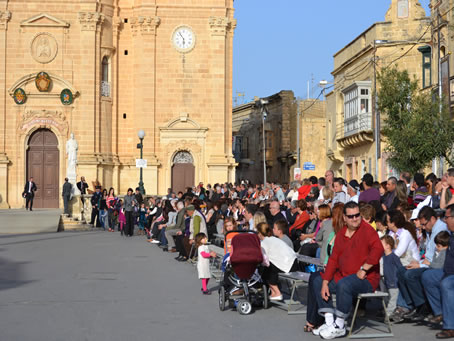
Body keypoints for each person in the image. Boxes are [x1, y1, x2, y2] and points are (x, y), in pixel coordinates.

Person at [306, 201, 383, 339]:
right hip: (344, 275)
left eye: (357, 215)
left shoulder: (367, 231)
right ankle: (330, 323)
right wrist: (325, 281)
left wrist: (364, 269)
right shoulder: (341, 234)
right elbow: (333, 259)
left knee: (344, 284)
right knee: (318, 280)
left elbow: (378, 250)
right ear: (345, 218)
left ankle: (340, 325)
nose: (355, 219)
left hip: (365, 280)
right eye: (351, 216)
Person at [392, 206, 448, 323]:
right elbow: (428, 256)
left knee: (410, 275)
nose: (422, 227)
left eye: (424, 224)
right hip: (427, 263)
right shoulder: (430, 230)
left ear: (432, 219)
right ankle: (407, 306)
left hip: (436, 265)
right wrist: (419, 263)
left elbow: (437, 259)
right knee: (402, 271)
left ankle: (422, 306)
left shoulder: (441, 230)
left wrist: (420, 265)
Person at [420, 204, 454, 339]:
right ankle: (440, 312)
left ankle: (450, 326)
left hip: (451, 276)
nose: (445, 221)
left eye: (447, 217)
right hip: (446, 271)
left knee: (447, 284)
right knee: (428, 276)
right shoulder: (450, 235)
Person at [256, 222, 297, 301]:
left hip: (288, 264)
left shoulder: (264, 243)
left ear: (260, 233)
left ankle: (277, 292)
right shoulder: (272, 239)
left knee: (265, 270)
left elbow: (264, 259)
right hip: (292, 262)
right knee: (268, 267)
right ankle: (273, 292)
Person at [381, 235, 404, 316]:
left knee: (393, 299)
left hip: (394, 281)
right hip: (386, 281)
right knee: (388, 298)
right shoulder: (383, 256)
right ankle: (388, 312)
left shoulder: (394, 257)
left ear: (388, 246)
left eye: (381, 244)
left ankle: (389, 314)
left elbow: (401, 268)